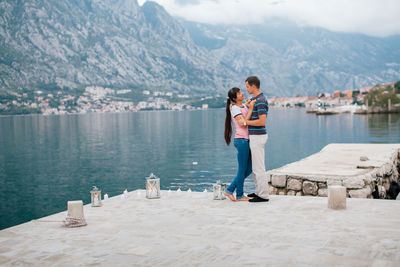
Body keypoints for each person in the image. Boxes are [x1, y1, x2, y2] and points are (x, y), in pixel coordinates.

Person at [223, 87, 255, 202]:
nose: (242, 93)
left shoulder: (241, 106)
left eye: (241, 92)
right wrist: (250, 108)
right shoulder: (235, 108)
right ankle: (240, 195)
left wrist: (247, 106)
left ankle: (230, 189)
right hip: (241, 140)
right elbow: (242, 123)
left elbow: (245, 115)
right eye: (239, 93)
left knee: (249, 168)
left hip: (246, 140)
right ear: (234, 98)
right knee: (242, 170)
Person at [244, 76, 270, 203]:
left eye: (247, 86)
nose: (246, 89)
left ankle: (263, 195)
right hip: (255, 136)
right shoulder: (255, 100)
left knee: (259, 167)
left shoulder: (260, 100)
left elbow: (262, 121)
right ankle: (258, 191)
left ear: (254, 86)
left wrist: (246, 122)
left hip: (258, 136)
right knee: (255, 166)